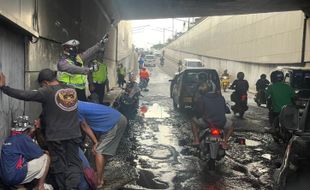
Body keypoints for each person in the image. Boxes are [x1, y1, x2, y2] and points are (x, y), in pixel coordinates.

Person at [0, 69, 82, 190]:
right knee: (74, 165)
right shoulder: (71, 90)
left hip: (56, 137)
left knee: (59, 166)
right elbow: (56, 109)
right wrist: (41, 118)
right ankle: (73, 187)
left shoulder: (47, 91)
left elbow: (26, 95)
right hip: (74, 134)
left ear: (45, 82)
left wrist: (4, 88)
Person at [78, 101, 127, 188]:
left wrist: (96, 142)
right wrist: (95, 142)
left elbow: (84, 126)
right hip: (114, 120)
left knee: (99, 152)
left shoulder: (74, 108)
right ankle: (99, 175)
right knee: (102, 150)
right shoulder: (77, 103)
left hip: (114, 123)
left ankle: (99, 181)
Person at [0, 116, 50, 190]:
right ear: (26, 130)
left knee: (22, 159)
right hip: (15, 176)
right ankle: (40, 186)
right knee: (46, 157)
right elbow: (39, 153)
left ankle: (19, 186)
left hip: (4, 178)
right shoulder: (23, 138)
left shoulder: (9, 139)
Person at [191, 76, 233, 149]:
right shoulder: (221, 98)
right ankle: (224, 142)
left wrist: (196, 114)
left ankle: (196, 140)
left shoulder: (202, 98)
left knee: (193, 121)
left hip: (208, 123)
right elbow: (226, 109)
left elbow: (199, 111)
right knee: (231, 125)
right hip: (221, 123)